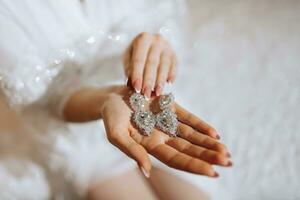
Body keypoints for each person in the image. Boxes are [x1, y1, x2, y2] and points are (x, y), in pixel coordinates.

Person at [0, 0, 232, 199]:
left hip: (148, 100)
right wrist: (107, 100)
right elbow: (44, 98)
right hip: (71, 132)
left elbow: (161, 20)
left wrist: (154, 51)